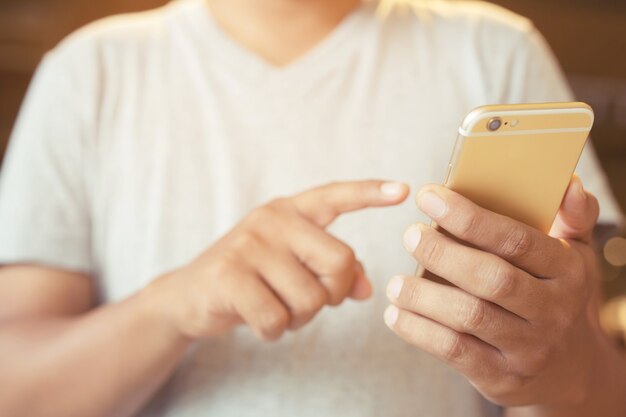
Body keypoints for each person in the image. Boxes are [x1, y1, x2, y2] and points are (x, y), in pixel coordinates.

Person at [0, 0, 624, 416]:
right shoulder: (89, 71)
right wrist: (172, 307)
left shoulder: (496, 49)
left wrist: (560, 374)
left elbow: (596, 386)